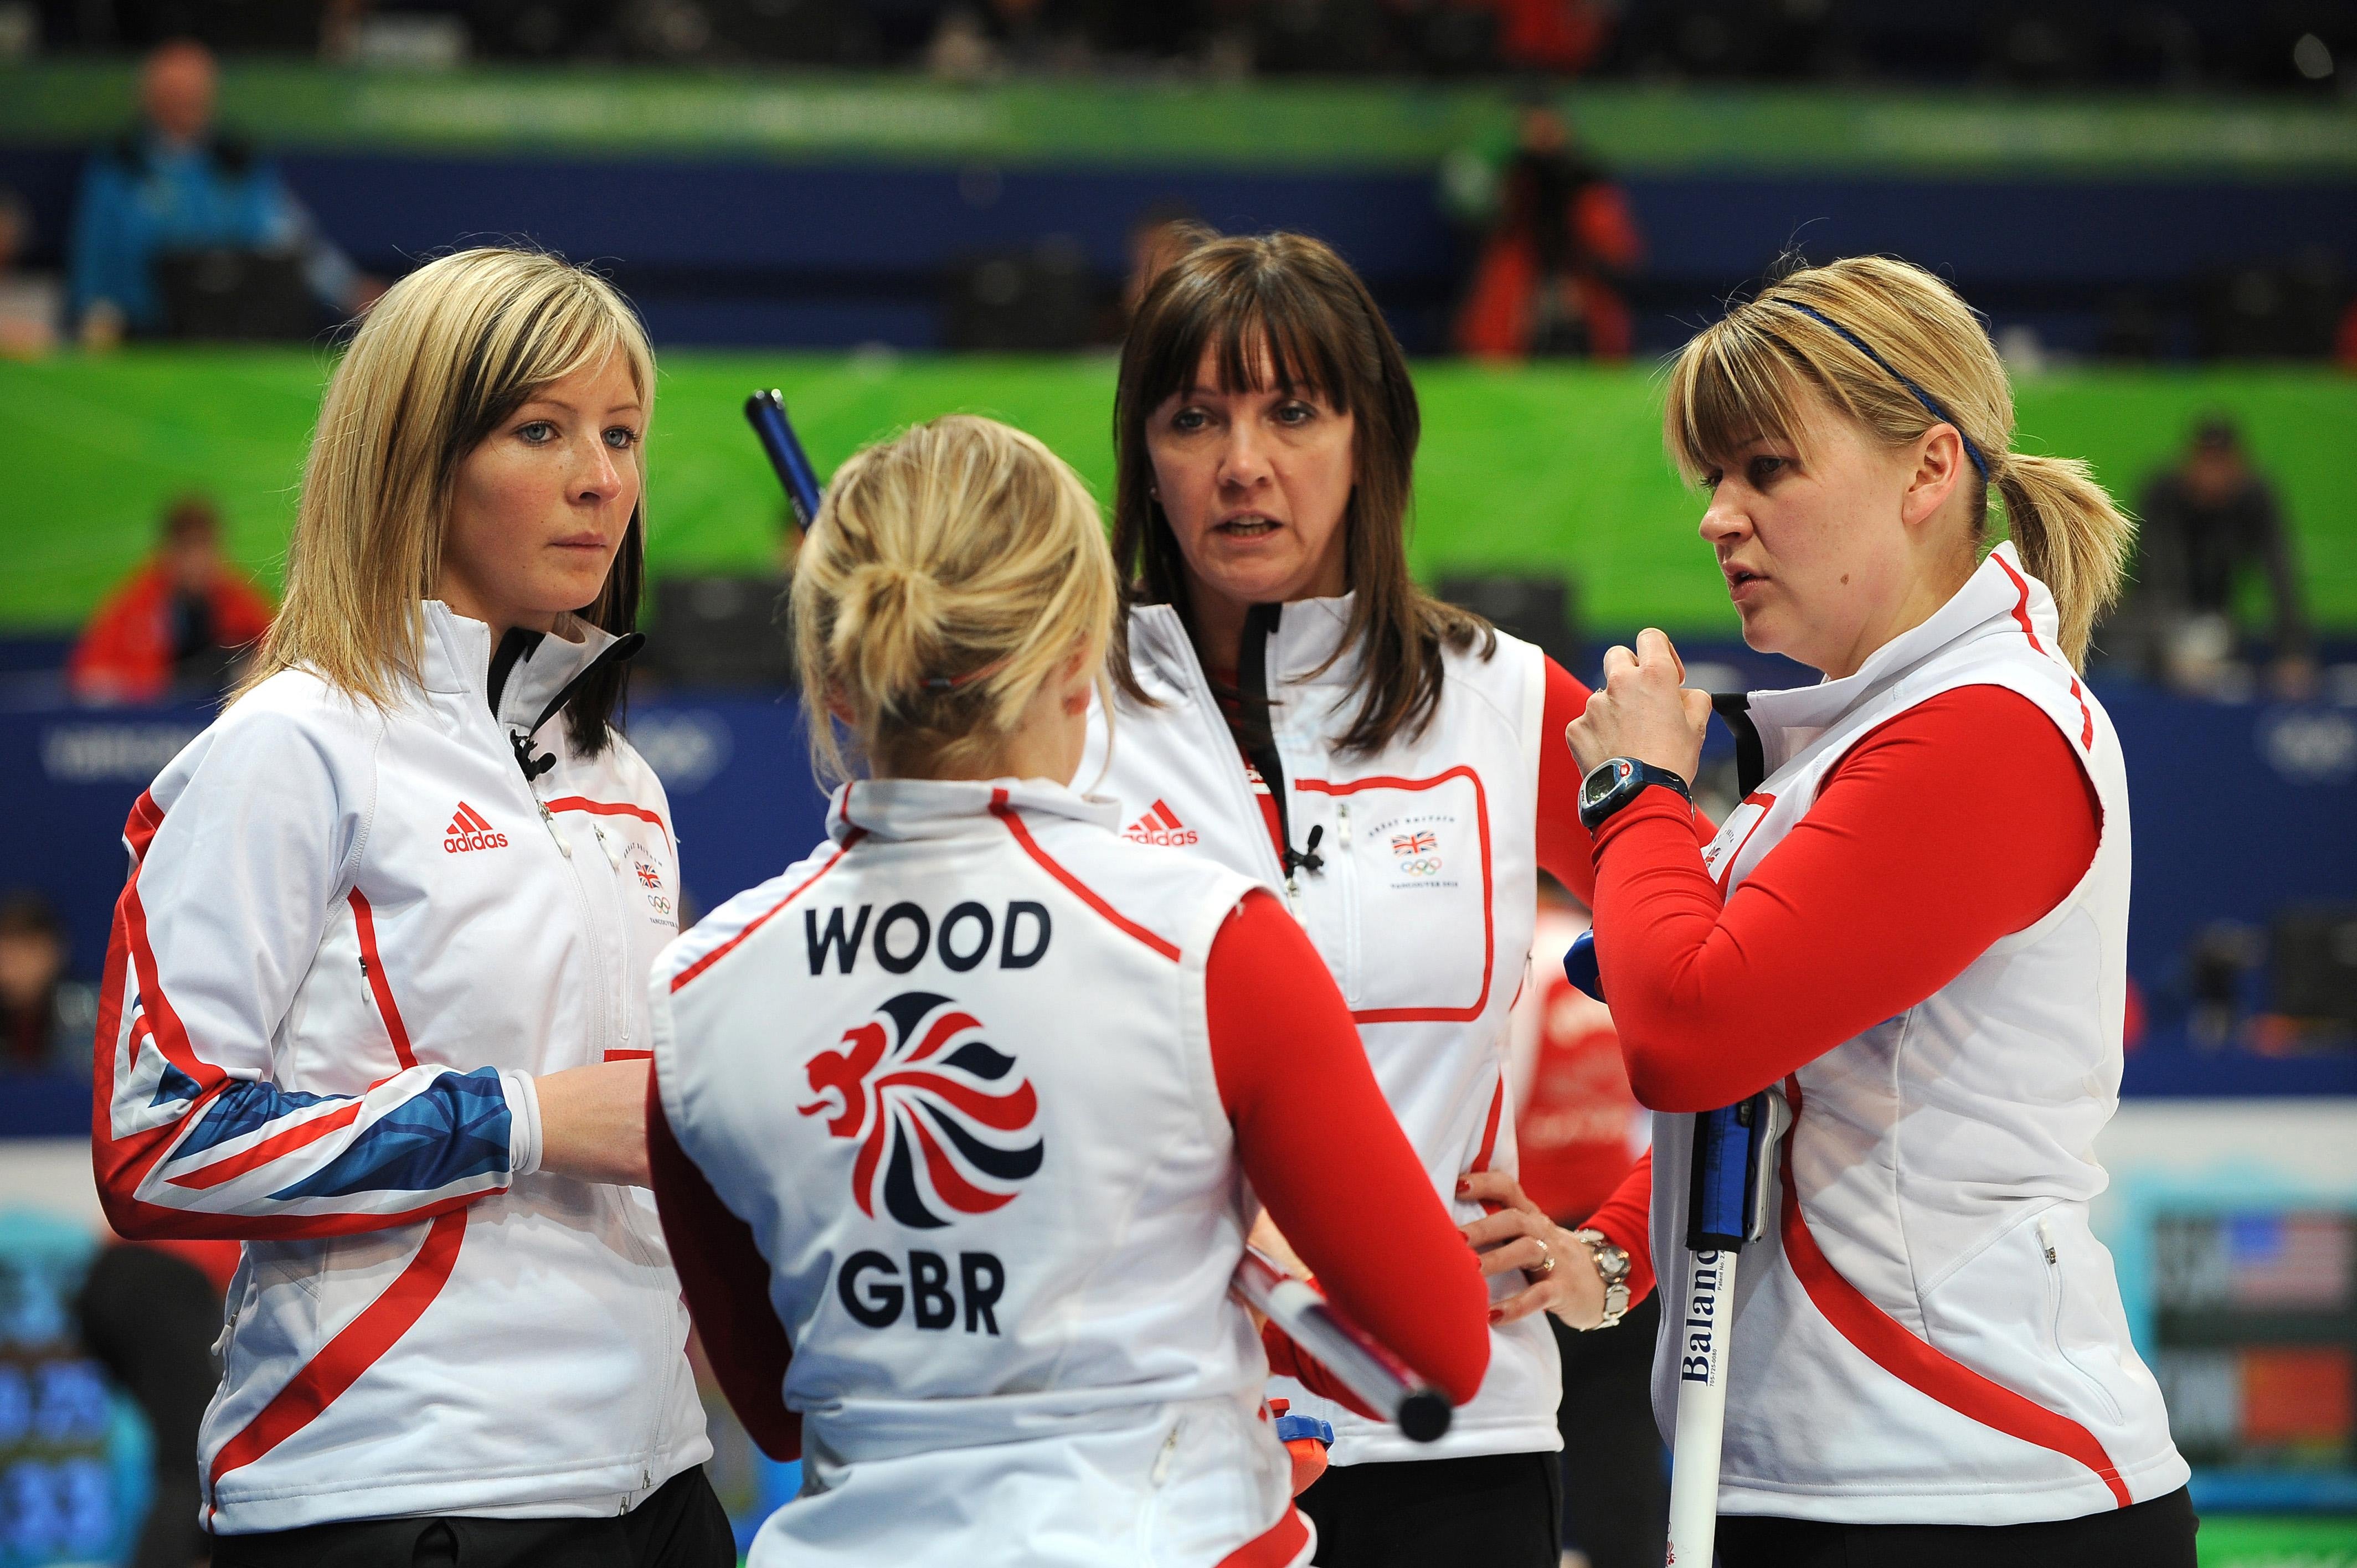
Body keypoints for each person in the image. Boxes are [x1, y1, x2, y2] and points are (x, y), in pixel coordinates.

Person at [644, 414, 1491, 1567]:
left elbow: (780, 1403)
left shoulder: (698, 991)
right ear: (1082, 655)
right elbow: (1445, 1345)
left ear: (834, 677)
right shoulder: (1214, 944)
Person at [1508, 254, 2196, 1564]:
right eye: (1712, 477)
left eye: (1766, 469)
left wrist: (1635, 786)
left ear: (1929, 469)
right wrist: (1608, 1252)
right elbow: (1793, 1098)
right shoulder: (1872, 734)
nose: (1719, 516)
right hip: (1841, 1475)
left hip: (1966, 1487)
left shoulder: (1985, 731)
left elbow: (1697, 1034)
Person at [89, 246, 730, 1565]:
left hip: (659, 1475)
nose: (602, 477)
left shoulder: (625, 780)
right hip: (392, 1486)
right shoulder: (293, 746)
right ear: (414, 459)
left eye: (620, 433)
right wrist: (527, 1115)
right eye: (539, 429)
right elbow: (158, 1142)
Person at [1083, 228, 1682, 1568]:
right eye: (1197, 417)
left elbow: (1729, 1002)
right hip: (1141, 1442)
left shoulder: (1510, 701)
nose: (1245, 462)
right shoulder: (1057, 708)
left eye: (1295, 409)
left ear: (1371, 439)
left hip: (1454, 1443)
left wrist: (1612, 1256)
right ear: (1146, 458)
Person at [1506, 887, 1661, 1568]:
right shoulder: (1594, 947)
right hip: (1617, 1233)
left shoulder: (1517, 953)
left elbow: (1491, 1106)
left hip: (1530, 1237)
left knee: (1525, 1449)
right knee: (1618, 1438)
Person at [69, 39, 375, 345]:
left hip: (234, 335)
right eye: (176, 93)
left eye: (196, 92)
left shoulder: (237, 163)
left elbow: (293, 239)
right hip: (148, 338)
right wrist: (95, 320)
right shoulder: (121, 167)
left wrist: (350, 291)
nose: (188, 102)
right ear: (150, 97)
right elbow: (94, 260)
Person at [2126, 415, 2313, 698]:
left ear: (2239, 465)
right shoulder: (2162, 494)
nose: (2214, 474)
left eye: (2222, 463)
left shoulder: (2256, 498)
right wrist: (2174, 645)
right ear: (2189, 463)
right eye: (2206, 462)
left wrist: (2293, 652)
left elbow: (2281, 575)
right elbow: (2156, 573)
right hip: (2155, 630)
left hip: (2224, 627)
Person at [1452, 104, 1643, 361]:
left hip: (1584, 291)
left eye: (1549, 125)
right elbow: (1469, 208)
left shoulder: (1587, 183)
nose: (1542, 134)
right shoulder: (1511, 177)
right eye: (1532, 126)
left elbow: (1621, 257)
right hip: (1518, 297)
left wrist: (1578, 284)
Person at [68, 494, 275, 703]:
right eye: (187, 548)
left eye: (204, 547)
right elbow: (89, 674)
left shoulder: (236, 596)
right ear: (169, 551)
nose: (197, 561)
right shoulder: (140, 600)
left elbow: (278, 655)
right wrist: (150, 685)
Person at [0, 891, 96, 1071]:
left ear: (54, 951)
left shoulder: (95, 1018)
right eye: (5, 952)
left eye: (25, 951)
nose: (10, 965)